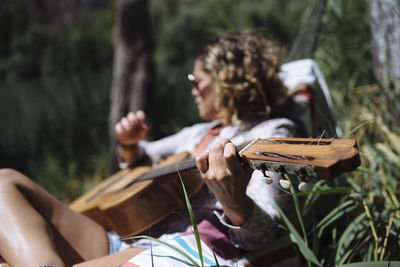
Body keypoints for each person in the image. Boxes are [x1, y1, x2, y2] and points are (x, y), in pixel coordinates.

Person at [0, 31, 296, 267]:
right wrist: (129, 146)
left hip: (172, 250)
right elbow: (145, 155)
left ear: (225, 79)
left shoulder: (271, 134)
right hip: (126, 240)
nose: (192, 88)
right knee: (5, 181)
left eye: (196, 80)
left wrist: (233, 201)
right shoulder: (198, 133)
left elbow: (262, 231)